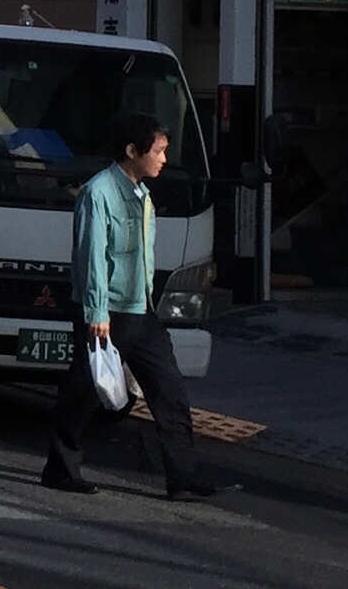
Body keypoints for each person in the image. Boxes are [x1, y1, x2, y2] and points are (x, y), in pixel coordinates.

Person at [45, 111, 223, 500]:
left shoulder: (142, 193)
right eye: (157, 151)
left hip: (140, 311)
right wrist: (96, 314)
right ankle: (60, 468)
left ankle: (182, 477)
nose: (163, 159)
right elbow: (91, 257)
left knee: (169, 389)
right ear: (132, 150)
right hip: (106, 312)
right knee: (86, 392)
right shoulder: (99, 193)